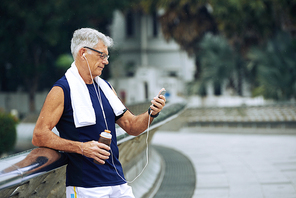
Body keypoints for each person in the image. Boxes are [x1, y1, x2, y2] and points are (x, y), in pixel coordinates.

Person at [32, 27, 166, 198]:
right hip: (86, 186)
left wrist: (152, 112)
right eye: (101, 55)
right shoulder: (62, 90)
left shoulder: (106, 88)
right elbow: (39, 135)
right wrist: (82, 147)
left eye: (106, 56)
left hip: (118, 181)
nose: (106, 61)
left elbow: (132, 126)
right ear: (83, 53)